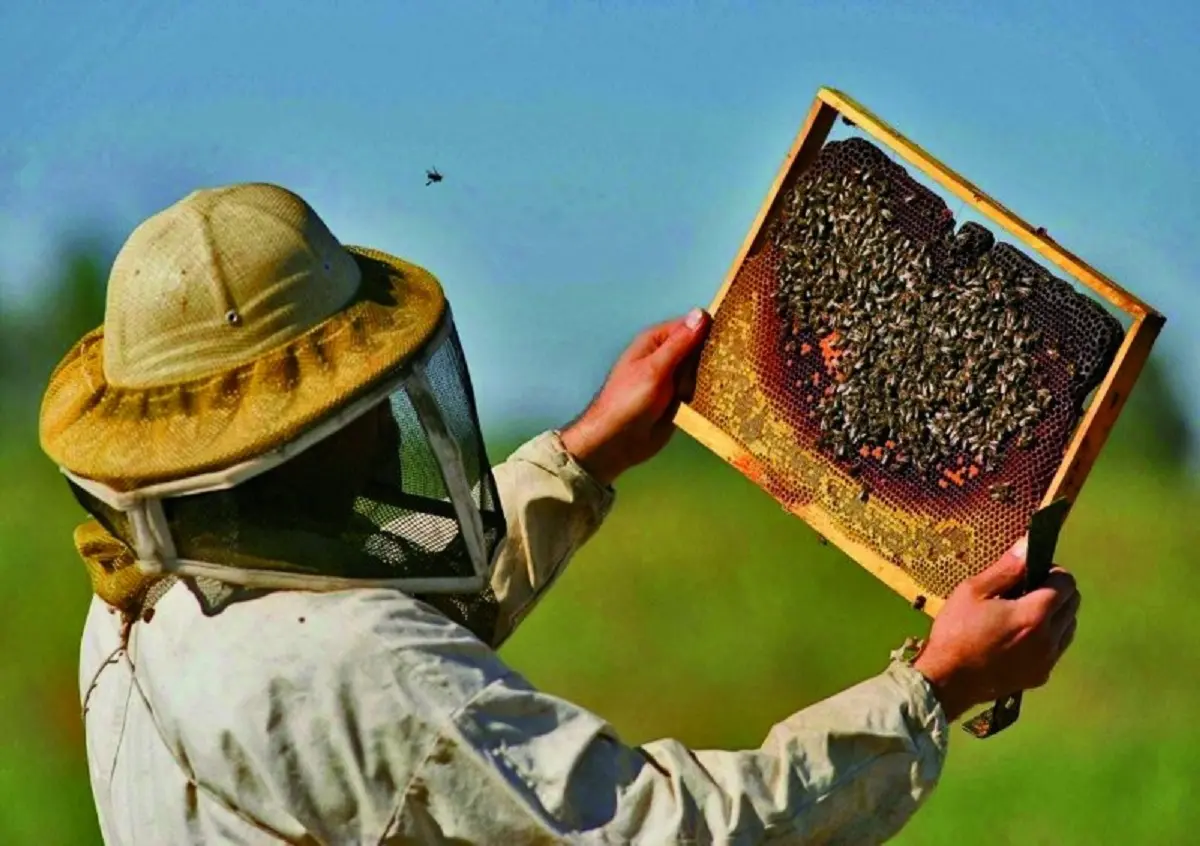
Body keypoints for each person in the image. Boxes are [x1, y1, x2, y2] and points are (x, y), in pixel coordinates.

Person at [41, 183, 1080, 845]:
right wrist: (935, 691)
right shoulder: (368, 666)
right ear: (329, 423)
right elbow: (658, 833)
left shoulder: (140, 606)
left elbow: (381, 650)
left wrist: (583, 455)